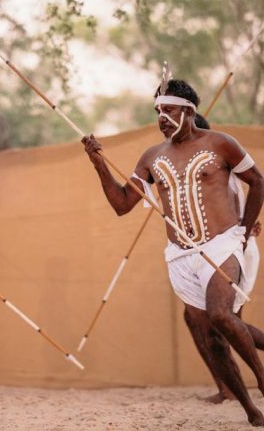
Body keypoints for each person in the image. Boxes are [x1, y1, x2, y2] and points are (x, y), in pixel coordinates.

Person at [82, 78, 264, 426]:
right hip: (181, 255)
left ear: (189, 111)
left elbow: (257, 181)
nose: (162, 117)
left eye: (169, 110)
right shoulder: (152, 157)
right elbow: (122, 204)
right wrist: (98, 163)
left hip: (222, 243)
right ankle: (250, 410)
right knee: (210, 333)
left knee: (222, 315)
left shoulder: (221, 143)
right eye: (158, 112)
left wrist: (242, 230)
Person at [184, 113, 263, 403]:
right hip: (213, 251)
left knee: (223, 320)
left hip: (232, 249)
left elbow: (252, 189)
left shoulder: (215, 161)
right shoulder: (192, 168)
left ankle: (231, 389)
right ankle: (228, 388)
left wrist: (243, 229)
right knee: (202, 319)